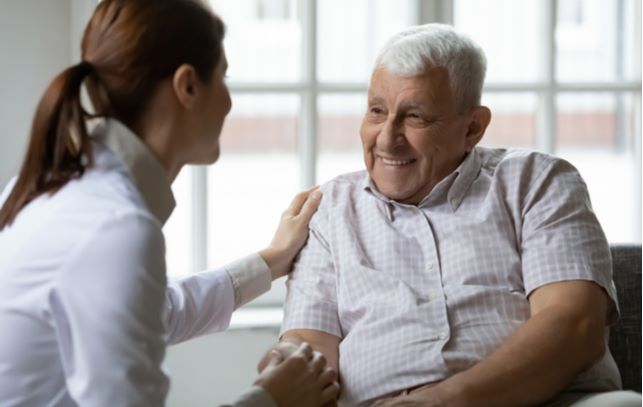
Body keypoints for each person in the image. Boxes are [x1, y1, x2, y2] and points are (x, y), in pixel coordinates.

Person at [260, 24, 643, 406]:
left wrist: (446, 401)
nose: (387, 137)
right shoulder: (329, 211)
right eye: (377, 111)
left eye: (415, 118)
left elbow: (575, 324)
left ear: (473, 127)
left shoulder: (538, 182)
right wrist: (289, 358)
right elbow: (310, 345)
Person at [0, 1, 339, 406]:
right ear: (187, 87)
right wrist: (272, 399)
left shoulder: (49, 189)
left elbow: (160, 310)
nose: (230, 101)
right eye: (224, 77)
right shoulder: (114, 228)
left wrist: (272, 260)